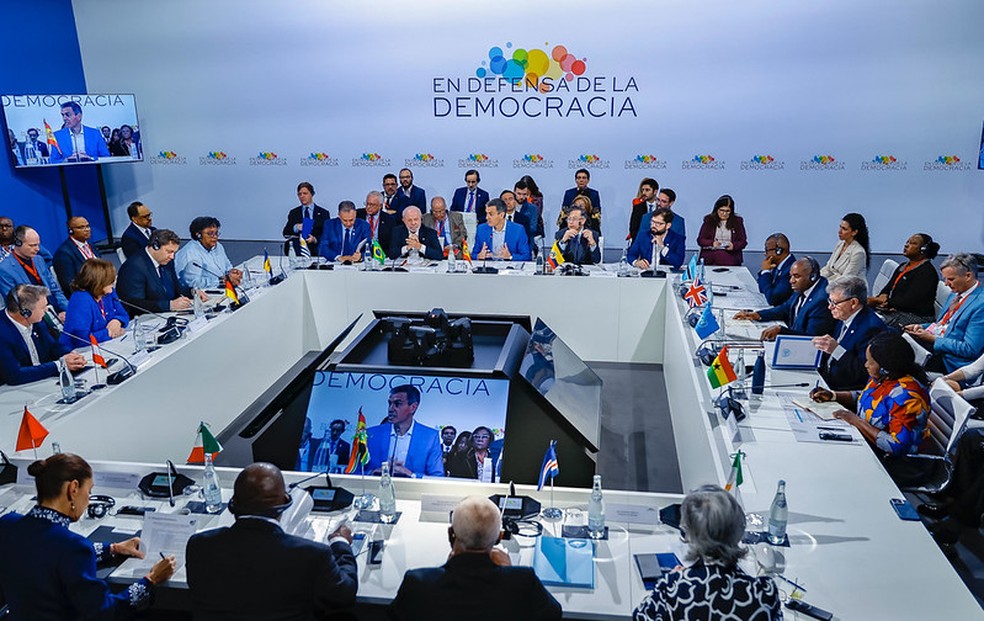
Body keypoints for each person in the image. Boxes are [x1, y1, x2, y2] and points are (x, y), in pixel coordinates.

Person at [0, 453, 176, 620]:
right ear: (73, 488)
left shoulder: (7, 524)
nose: (89, 500)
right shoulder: (73, 547)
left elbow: (44, 552)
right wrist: (151, 579)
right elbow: (104, 613)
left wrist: (112, 548)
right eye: (89, 491)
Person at [186, 462, 357, 620]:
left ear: (233, 504)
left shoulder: (199, 545)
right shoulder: (312, 555)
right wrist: (340, 542)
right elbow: (344, 595)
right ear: (285, 503)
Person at [390, 495, 561, 621]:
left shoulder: (417, 583)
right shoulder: (523, 581)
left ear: (451, 534)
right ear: (498, 538)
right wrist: (509, 573)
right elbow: (554, 614)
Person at [633, 484, 781, 621]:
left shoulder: (674, 586)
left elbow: (640, 617)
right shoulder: (765, 592)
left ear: (689, 533)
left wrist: (681, 577)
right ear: (739, 530)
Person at [811, 332, 930, 456]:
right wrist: (833, 395)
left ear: (885, 367)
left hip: (892, 462)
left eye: (870, 362)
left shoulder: (907, 397)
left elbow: (897, 446)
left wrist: (856, 421)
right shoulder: (883, 378)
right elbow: (866, 398)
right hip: (865, 442)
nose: (866, 365)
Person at [904, 253, 984, 373]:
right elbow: (943, 324)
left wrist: (934, 340)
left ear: (968, 276)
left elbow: (970, 349)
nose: (946, 284)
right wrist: (920, 327)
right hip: (937, 347)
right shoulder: (955, 293)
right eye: (945, 279)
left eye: (951, 279)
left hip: (951, 361)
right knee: (894, 340)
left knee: (900, 356)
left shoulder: (981, 305)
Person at [812, 276, 888, 391]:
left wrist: (836, 350)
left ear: (853, 303)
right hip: (825, 379)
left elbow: (863, 372)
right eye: (829, 301)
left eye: (835, 303)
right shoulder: (846, 316)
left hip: (844, 389)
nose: (830, 307)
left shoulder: (871, 328)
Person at [734, 257, 836, 341]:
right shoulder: (803, 287)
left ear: (812, 277)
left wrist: (781, 331)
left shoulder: (821, 300)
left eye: (796, 276)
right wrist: (758, 315)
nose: (791, 281)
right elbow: (786, 308)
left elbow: (812, 338)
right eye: (791, 276)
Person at [0, 284, 84, 385]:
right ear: (25, 313)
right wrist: (59, 365)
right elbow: (14, 376)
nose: (47, 310)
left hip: (41, 381)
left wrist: (72, 356)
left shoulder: (37, 320)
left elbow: (53, 346)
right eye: (43, 307)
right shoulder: (2, 333)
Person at [365, 384, 445, 477]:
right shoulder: (371, 434)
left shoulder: (430, 437)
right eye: (389, 403)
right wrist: (372, 473)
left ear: (413, 407)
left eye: (397, 404)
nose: (391, 409)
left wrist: (411, 475)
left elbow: (437, 477)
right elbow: (353, 471)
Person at [117, 229, 201, 314]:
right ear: (155, 246)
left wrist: (192, 292)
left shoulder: (167, 261)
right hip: (145, 319)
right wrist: (169, 305)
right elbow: (134, 304)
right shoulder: (134, 267)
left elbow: (177, 288)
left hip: (167, 314)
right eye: (169, 252)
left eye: (174, 252)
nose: (172, 257)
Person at [868, 233, 941, 328]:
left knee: (872, 324)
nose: (906, 245)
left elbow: (910, 301)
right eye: (907, 242)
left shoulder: (926, 272)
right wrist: (883, 295)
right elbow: (889, 287)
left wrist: (884, 302)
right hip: (896, 309)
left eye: (913, 243)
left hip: (916, 317)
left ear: (923, 250)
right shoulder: (903, 266)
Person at [0, 225, 69, 316]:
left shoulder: (39, 260)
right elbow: (16, 304)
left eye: (38, 244)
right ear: (18, 243)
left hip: (54, 310)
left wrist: (68, 310)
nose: (37, 249)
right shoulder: (4, 269)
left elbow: (55, 290)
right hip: (33, 316)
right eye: (32, 245)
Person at [60, 259, 129, 348]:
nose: (113, 284)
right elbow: (81, 339)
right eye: (110, 281)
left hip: (106, 345)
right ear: (100, 282)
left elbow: (124, 315)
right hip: (79, 352)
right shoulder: (80, 299)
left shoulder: (108, 292)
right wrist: (109, 333)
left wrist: (117, 321)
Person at [174, 216, 243, 289]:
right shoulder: (190, 253)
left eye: (216, 233)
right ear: (198, 235)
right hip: (197, 295)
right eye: (210, 233)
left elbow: (227, 267)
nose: (215, 237)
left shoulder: (218, 246)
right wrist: (221, 281)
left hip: (221, 288)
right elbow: (192, 283)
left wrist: (232, 272)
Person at [47, 101, 111, 163]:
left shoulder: (95, 134)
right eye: (63, 115)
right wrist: (66, 161)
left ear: (79, 116)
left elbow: (106, 157)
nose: (64, 118)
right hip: (68, 172)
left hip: (92, 171)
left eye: (68, 115)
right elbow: (53, 160)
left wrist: (91, 159)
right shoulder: (57, 136)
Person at [282, 181, 331, 256]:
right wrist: (296, 227)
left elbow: (327, 234)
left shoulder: (323, 213)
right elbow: (285, 232)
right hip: (298, 247)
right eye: (299, 194)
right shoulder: (294, 212)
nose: (302, 196)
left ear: (312, 194)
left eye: (305, 193)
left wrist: (314, 239)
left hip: (316, 248)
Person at [53, 216, 98, 294]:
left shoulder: (91, 246)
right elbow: (69, 285)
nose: (87, 230)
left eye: (87, 226)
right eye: (81, 227)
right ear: (71, 231)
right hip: (86, 293)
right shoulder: (64, 253)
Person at [696, 194, 746, 266]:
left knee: (724, 256)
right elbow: (700, 240)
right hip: (711, 255)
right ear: (716, 209)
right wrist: (712, 243)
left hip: (731, 256)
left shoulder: (737, 221)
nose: (724, 214)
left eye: (727, 211)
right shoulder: (709, 220)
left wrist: (733, 246)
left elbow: (743, 242)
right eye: (722, 210)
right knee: (718, 254)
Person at [820, 212, 870, 281]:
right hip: (834, 284)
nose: (839, 231)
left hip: (850, 289)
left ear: (854, 232)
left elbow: (845, 279)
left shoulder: (858, 253)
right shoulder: (840, 244)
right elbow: (828, 268)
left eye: (844, 229)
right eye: (840, 227)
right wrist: (816, 279)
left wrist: (825, 284)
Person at [757, 233, 796, 306]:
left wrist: (765, 272)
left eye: (767, 250)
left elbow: (773, 299)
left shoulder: (790, 270)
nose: (765, 254)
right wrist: (765, 271)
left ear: (779, 251)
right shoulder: (777, 266)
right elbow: (762, 289)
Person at [628, 177, 659, 244]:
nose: (644, 193)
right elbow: (633, 228)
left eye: (647, 190)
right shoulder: (638, 207)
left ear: (655, 191)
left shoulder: (661, 207)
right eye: (642, 190)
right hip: (640, 243)